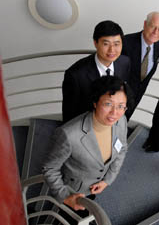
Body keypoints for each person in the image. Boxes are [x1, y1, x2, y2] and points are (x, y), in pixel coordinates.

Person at [43, 76, 131, 222]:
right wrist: (65, 197)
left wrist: (107, 180)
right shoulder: (69, 134)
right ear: (95, 102)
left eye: (121, 106)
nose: (115, 113)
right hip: (73, 191)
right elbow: (50, 169)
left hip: (93, 187)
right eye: (108, 104)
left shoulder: (121, 121)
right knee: (67, 218)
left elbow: (122, 148)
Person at [62, 20, 131, 123]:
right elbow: (70, 113)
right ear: (95, 43)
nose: (112, 50)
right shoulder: (75, 75)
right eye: (106, 44)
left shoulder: (125, 62)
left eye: (116, 44)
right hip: (87, 124)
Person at [121, 11, 159, 118]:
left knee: (124, 123)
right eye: (153, 26)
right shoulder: (126, 42)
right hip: (120, 95)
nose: (156, 32)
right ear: (145, 24)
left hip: (137, 96)